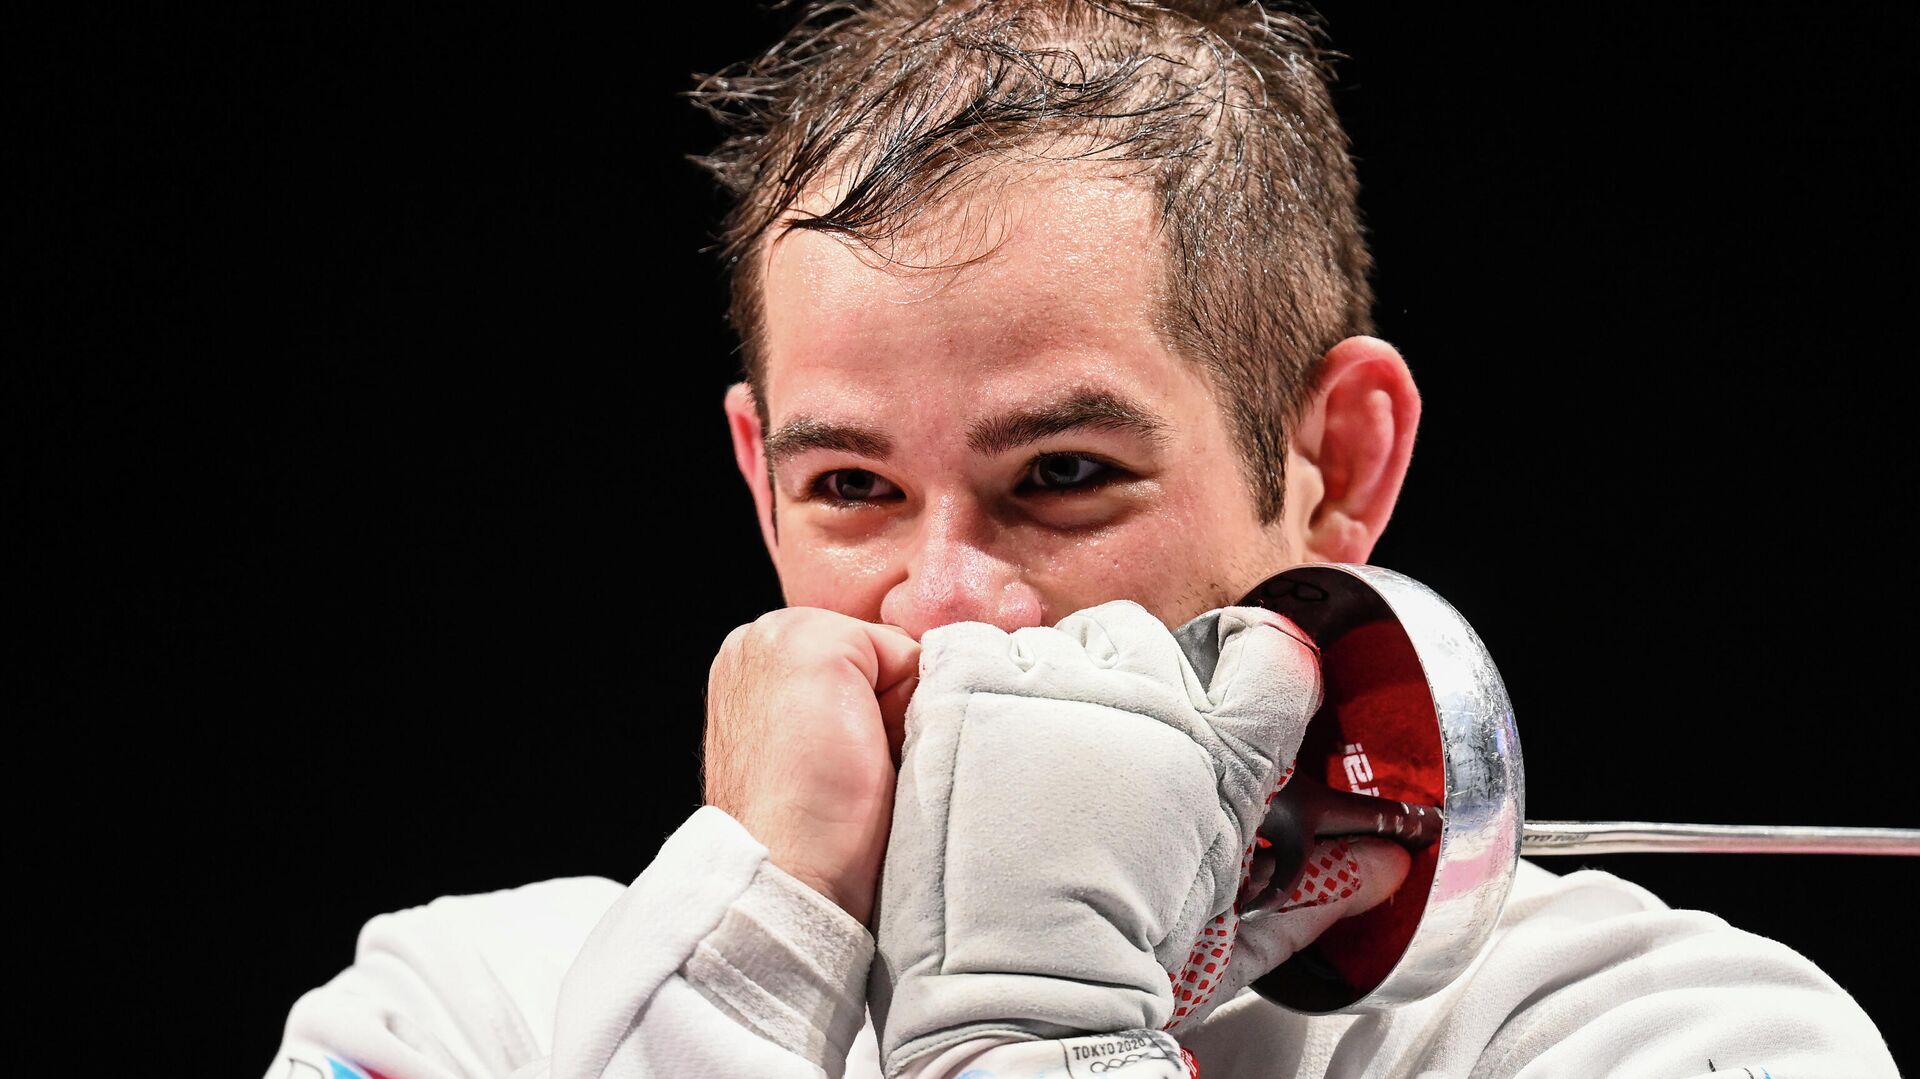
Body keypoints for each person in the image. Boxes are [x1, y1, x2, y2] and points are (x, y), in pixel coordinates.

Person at [264, 3, 1898, 1077]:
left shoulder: (1657, 1034)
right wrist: (736, 986)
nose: (949, 612)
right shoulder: (469, 1011)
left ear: (1335, 461)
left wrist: (1034, 1031)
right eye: (852, 489)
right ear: (760, 482)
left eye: (1061, 475)